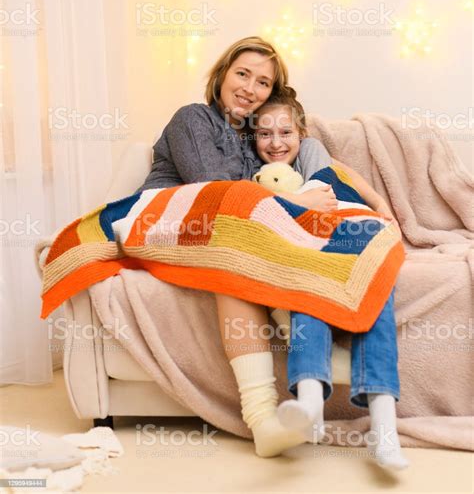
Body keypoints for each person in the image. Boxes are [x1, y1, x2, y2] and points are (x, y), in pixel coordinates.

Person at [135, 36, 331, 458]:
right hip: (161, 223)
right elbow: (218, 193)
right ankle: (269, 409)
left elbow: (255, 201)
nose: (250, 87)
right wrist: (296, 203)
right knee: (236, 237)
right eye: (242, 73)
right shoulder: (192, 119)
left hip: (216, 235)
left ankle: (271, 415)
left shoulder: (255, 143)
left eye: (262, 82)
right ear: (222, 74)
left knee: (247, 249)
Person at [251, 91, 409, 470]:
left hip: (356, 225)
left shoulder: (314, 156)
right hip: (312, 239)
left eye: (285, 132)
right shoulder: (257, 180)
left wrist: (385, 210)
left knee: (373, 294)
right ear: (252, 139)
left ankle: (385, 429)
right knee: (307, 285)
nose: (276, 144)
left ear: (301, 134)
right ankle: (308, 405)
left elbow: (346, 177)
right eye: (264, 135)